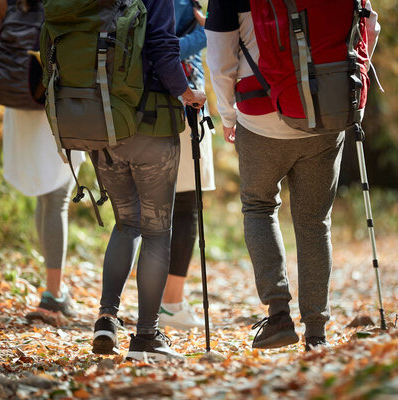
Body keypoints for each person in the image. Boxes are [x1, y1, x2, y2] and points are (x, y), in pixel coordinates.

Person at [206, 0, 346, 350]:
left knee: (258, 206)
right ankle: (316, 331)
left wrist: (227, 115)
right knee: (315, 222)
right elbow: (367, 27)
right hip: (326, 110)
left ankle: (279, 315)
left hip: (261, 112)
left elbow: (221, 57)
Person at [91, 0, 207, 361]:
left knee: (126, 222)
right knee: (156, 229)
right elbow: (161, 46)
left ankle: (107, 319)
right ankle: (146, 337)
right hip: (149, 119)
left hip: (96, 119)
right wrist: (186, 92)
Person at [0, 0, 86, 325]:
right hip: (56, 100)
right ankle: (53, 294)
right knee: (56, 196)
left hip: (18, 98)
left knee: (47, 196)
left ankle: (53, 287)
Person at [158, 0, 215, 331]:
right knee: (185, 210)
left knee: (153, 210)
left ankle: (156, 301)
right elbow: (163, 48)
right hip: (183, 109)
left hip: (153, 109)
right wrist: (207, 31)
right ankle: (172, 303)